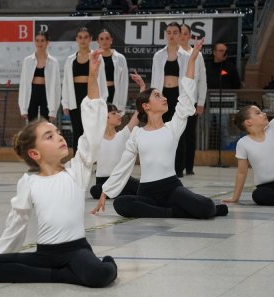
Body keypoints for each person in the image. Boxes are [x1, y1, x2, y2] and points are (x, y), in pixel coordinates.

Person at [0, 50, 117, 288]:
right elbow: (17, 223)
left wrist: (92, 77)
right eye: (49, 136)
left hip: (76, 250)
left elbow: (93, 130)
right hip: (45, 255)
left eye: (58, 133)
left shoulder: (77, 170)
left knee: (100, 275)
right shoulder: (29, 182)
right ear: (35, 153)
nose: (60, 137)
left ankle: (94, 266)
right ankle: (64, 276)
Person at [91, 38, 229, 219]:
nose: (164, 98)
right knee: (120, 203)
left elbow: (186, 97)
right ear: (146, 106)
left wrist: (192, 60)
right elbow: (124, 165)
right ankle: (173, 212)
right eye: (158, 96)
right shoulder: (137, 134)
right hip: (146, 191)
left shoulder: (172, 127)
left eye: (163, 96)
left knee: (206, 207)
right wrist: (105, 192)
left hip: (171, 187)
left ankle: (172, 211)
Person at [89, 71, 144, 200]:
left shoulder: (123, 135)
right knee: (95, 190)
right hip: (103, 181)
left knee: (143, 188)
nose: (119, 115)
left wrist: (142, 88)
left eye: (118, 113)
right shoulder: (96, 137)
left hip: (121, 180)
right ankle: (115, 192)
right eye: (114, 113)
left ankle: (116, 192)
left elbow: (138, 113)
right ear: (104, 117)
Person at [151, 22, 190, 177]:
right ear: (165, 34)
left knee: (178, 132)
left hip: (179, 96)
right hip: (163, 96)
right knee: (161, 132)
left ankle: (178, 168)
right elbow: (155, 79)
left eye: (175, 32)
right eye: (169, 32)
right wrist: (154, 99)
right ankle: (162, 167)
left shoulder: (186, 57)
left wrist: (188, 100)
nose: (172, 35)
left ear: (180, 35)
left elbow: (190, 79)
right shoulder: (158, 55)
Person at [62, 27, 108, 154]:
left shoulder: (97, 57)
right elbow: (66, 83)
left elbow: (102, 80)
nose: (83, 40)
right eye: (80, 37)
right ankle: (77, 158)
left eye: (86, 37)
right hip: (75, 96)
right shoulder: (70, 59)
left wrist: (102, 100)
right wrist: (65, 103)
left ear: (90, 39)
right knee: (77, 130)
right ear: (76, 39)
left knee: (91, 130)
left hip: (91, 95)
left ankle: (91, 159)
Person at [222, 105, 274, 205]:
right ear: (248, 122)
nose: (264, 114)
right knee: (258, 195)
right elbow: (241, 173)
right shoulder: (243, 143)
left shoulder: (273, 128)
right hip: (265, 187)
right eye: (258, 113)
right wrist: (235, 197)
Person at [178, 24, 207, 176]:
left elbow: (202, 80)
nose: (182, 36)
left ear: (189, 35)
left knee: (190, 134)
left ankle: (189, 167)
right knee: (177, 134)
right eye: (180, 33)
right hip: (176, 99)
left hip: (192, 100)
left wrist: (200, 102)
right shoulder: (174, 53)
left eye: (185, 33)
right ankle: (177, 167)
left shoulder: (198, 55)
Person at [18, 31, 61, 122]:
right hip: (32, 93)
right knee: (31, 125)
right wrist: (23, 108)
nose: (39, 43)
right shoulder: (27, 61)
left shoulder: (53, 62)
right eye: (37, 40)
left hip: (46, 93)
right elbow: (23, 85)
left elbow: (56, 86)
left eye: (42, 40)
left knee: (45, 123)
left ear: (47, 42)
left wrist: (53, 111)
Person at [96, 29, 129, 112]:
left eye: (107, 38)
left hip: (114, 92)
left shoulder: (120, 58)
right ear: (98, 41)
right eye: (102, 39)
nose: (104, 41)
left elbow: (123, 82)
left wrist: (121, 104)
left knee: (112, 120)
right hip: (98, 92)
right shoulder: (93, 57)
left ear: (111, 40)